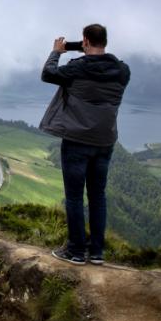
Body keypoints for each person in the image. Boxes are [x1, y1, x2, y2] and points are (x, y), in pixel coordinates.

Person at [39, 23, 131, 266]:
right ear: (104, 42)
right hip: (105, 141)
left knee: (74, 197)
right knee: (98, 196)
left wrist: (57, 51)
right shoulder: (122, 71)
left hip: (77, 141)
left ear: (85, 41)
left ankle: (76, 251)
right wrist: (88, 49)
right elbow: (100, 68)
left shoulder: (76, 68)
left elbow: (48, 73)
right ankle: (97, 252)